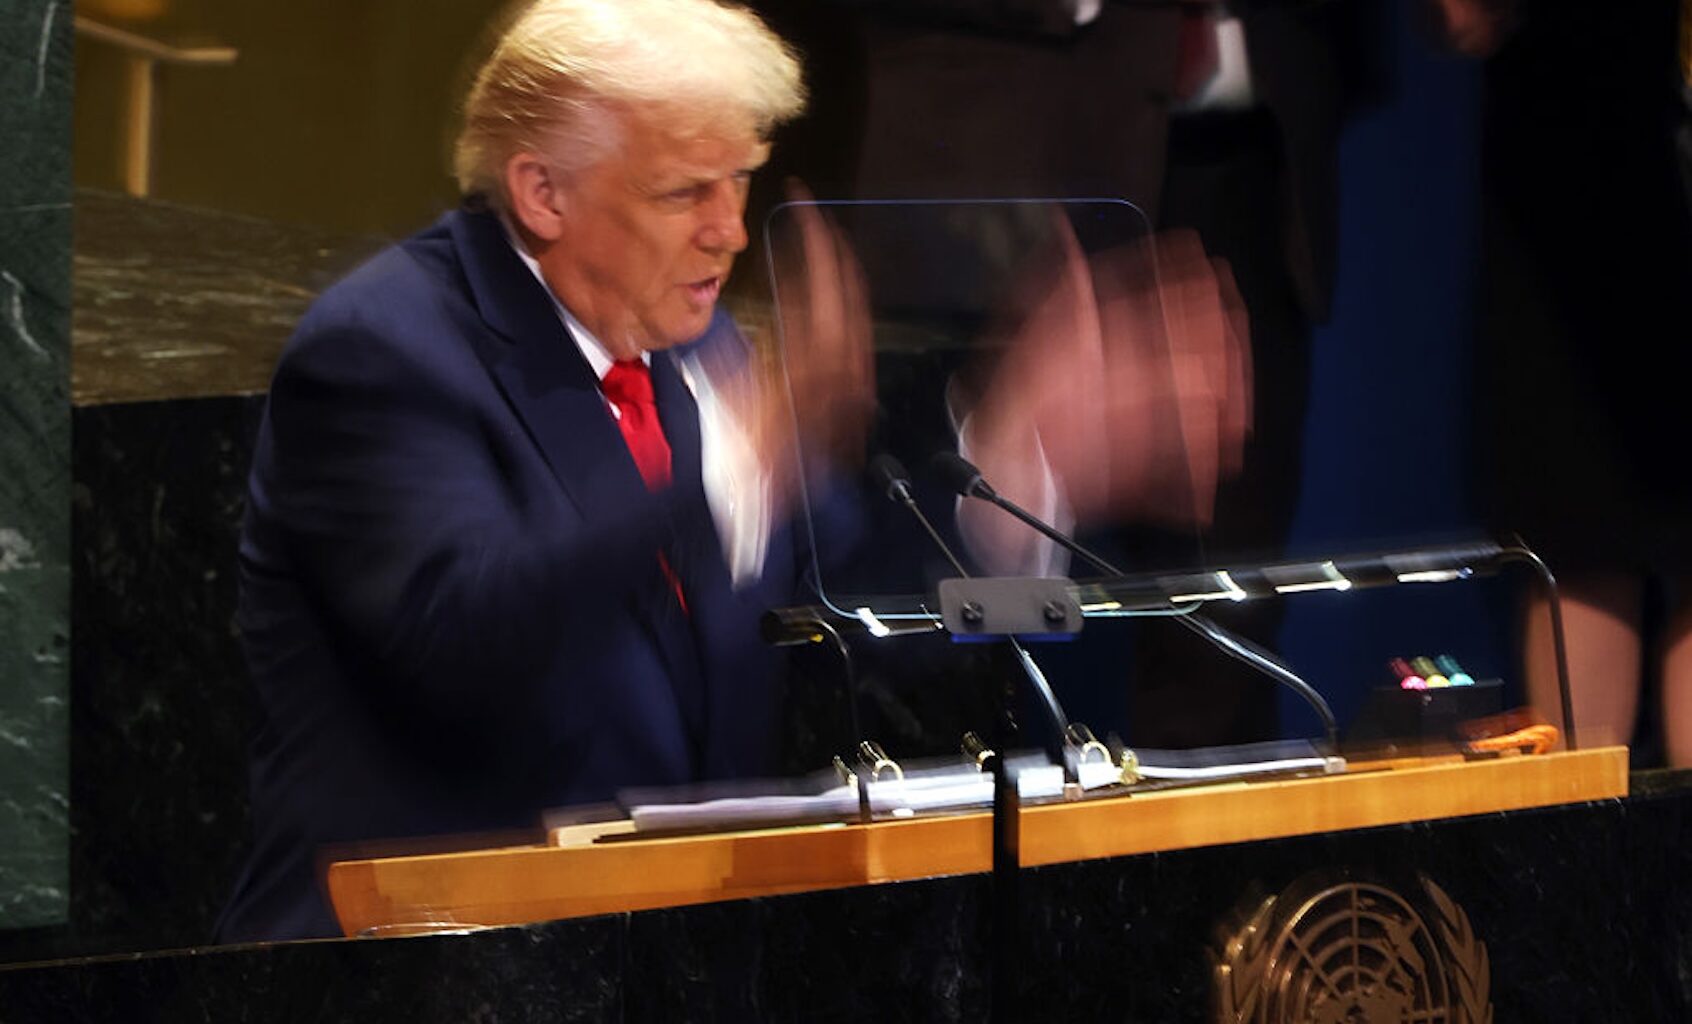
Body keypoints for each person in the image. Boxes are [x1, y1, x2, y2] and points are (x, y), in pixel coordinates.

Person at [218, 0, 1246, 941]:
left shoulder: (699, 352)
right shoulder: (383, 351)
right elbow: (463, 644)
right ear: (543, 191)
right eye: (684, 192)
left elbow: (856, 615)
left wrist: (1021, 473)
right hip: (412, 966)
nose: (729, 230)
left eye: (741, 182)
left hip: (661, 956)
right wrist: (723, 483)